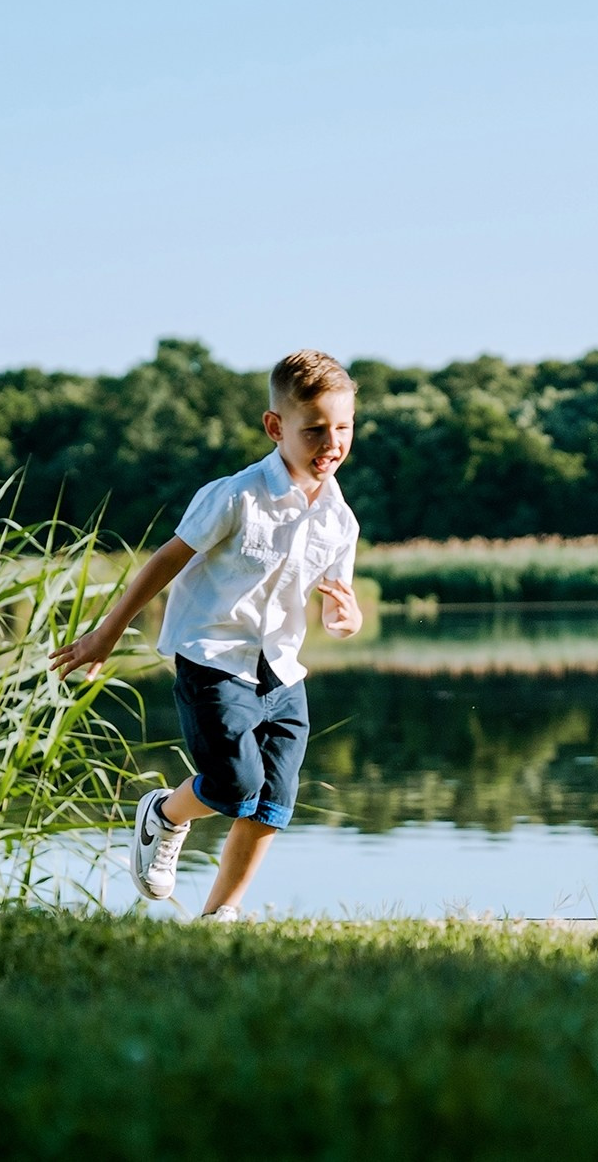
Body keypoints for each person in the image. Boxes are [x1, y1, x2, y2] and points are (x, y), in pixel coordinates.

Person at [50, 350, 364, 922]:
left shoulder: (340, 519)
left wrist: (347, 620)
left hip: (283, 671)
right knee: (233, 782)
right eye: (314, 429)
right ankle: (166, 815)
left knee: (273, 800)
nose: (331, 443)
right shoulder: (236, 495)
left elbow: (336, 597)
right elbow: (163, 562)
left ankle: (220, 915)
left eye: (342, 428)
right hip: (214, 657)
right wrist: (106, 632)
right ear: (275, 427)